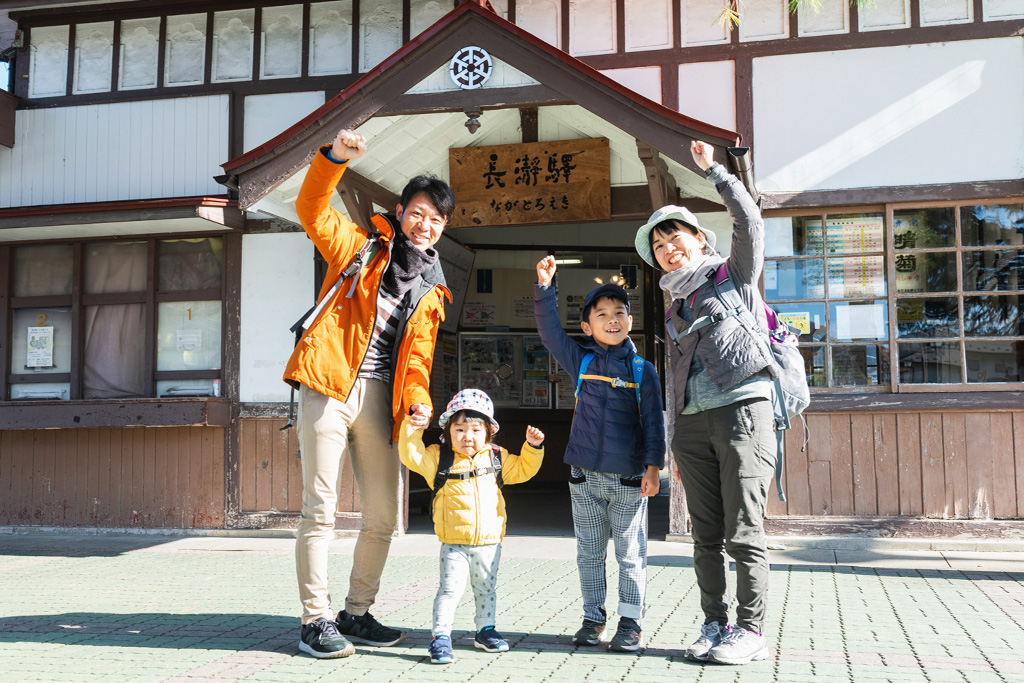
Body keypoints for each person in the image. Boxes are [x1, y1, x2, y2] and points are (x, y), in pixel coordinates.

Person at [287, 128, 454, 659]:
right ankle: (315, 620)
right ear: (400, 211)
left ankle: (355, 613)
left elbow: (419, 360)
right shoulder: (360, 249)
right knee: (322, 510)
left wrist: (419, 400)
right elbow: (311, 207)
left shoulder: (432, 290)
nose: (424, 225)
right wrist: (335, 158)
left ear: (442, 228)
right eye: (417, 213)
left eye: (436, 219)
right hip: (329, 387)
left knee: (384, 515)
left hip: (381, 399)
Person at [634, 140, 776, 665]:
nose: (670, 249)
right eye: (660, 247)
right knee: (705, 534)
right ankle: (714, 624)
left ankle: (751, 630)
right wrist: (671, 435)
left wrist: (716, 172)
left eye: (677, 238)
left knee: (744, 530)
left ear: (699, 239)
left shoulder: (732, 275)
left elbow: (750, 222)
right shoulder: (675, 305)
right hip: (692, 424)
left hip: (743, 408)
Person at [533, 268, 666, 652]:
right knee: (589, 554)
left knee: (630, 555)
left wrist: (653, 468)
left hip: (628, 481)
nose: (612, 319)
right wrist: (544, 289)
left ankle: (630, 622)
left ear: (630, 320)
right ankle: (593, 619)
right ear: (588, 326)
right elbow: (549, 332)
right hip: (584, 479)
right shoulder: (582, 362)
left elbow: (654, 425)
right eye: (602, 313)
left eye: (620, 312)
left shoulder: (644, 371)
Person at [399, 389, 545, 664]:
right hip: (453, 542)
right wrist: (412, 427)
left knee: (486, 589)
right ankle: (441, 637)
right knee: (449, 590)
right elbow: (411, 455)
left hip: (489, 542)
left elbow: (524, 470)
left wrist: (532, 448)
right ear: (448, 431)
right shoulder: (438, 458)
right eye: (460, 429)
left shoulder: (496, 457)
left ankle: (485, 631)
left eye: (476, 430)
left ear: (489, 432)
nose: (468, 436)